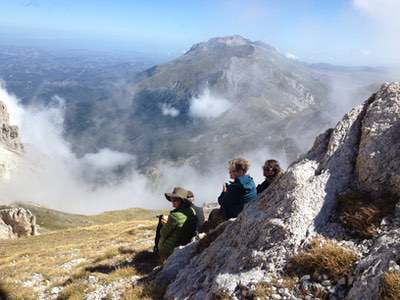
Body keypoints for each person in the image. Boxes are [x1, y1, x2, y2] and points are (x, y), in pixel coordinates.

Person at [201, 158, 256, 233]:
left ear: (240, 172)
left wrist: (224, 192)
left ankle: (206, 235)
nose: (229, 173)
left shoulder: (235, 187)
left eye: (232, 171)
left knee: (214, 213)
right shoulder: (250, 181)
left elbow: (222, 202)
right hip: (246, 212)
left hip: (234, 216)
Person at [156, 187, 197, 262]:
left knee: (161, 238)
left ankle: (162, 257)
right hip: (186, 243)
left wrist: (164, 224)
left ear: (182, 201)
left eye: (175, 200)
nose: (172, 203)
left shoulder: (175, 216)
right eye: (172, 200)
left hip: (172, 247)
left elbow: (163, 233)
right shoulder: (192, 211)